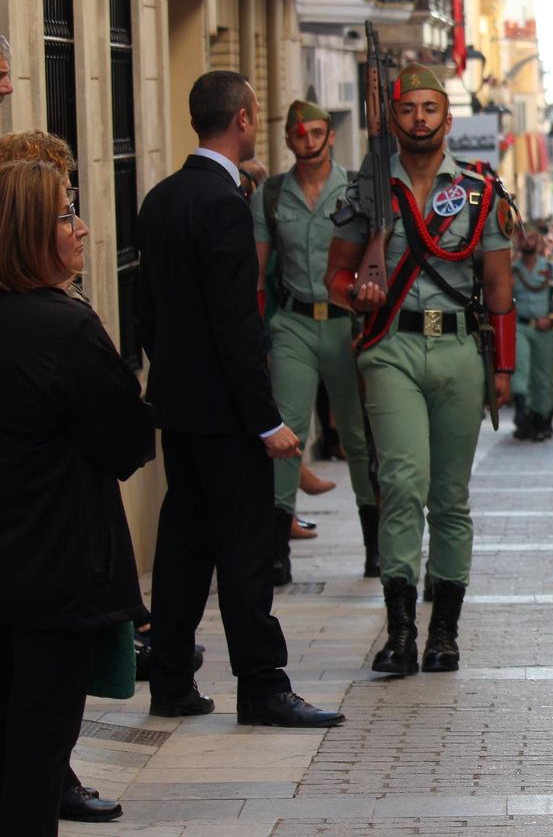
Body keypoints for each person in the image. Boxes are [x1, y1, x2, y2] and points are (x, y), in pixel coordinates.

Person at [135, 70, 343, 728]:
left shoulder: (161, 199)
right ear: (247, 120)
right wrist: (267, 422)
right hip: (227, 415)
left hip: (179, 406)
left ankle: (170, 680)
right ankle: (262, 685)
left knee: (184, 547)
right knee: (247, 552)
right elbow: (236, 322)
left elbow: (147, 310)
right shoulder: (224, 205)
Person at [326, 63, 517, 674]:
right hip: (392, 348)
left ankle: (445, 634)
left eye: (429, 109)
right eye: (407, 109)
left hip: (461, 349)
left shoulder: (481, 193)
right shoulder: (368, 192)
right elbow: (335, 276)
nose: (418, 120)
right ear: (393, 118)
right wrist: (358, 293)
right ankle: (402, 632)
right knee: (403, 486)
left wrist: (504, 369)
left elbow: (498, 289)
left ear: (447, 118)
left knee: (450, 497)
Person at [0, 161, 151, 834]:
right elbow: (127, 442)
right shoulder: (65, 328)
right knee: (33, 763)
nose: (81, 227)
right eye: (65, 214)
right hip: (50, 580)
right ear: (31, 231)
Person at [252, 100, 376, 580]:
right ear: (287, 139)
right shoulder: (270, 195)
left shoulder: (356, 191)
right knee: (285, 434)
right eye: (299, 134)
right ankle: (278, 547)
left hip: (347, 323)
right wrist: (257, 336)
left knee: (358, 434)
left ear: (329, 135)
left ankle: (374, 543)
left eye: (317, 132)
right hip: (294, 323)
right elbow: (257, 274)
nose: (308, 142)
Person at [510, 223, 553, 442]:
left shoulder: (550, 268)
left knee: (544, 377)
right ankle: (521, 407)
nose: (526, 242)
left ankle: (542, 417)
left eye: (531, 238)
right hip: (520, 326)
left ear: (539, 243)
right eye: (523, 238)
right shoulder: (511, 269)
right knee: (520, 366)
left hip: (545, 329)